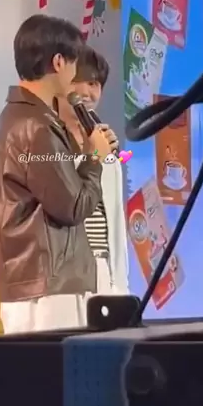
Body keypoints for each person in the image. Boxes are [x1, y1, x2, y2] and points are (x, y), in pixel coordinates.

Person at [0, 14, 111, 333]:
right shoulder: (36, 127)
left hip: (37, 282)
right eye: (73, 64)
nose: (75, 75)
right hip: (50, 287)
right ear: (58, 62)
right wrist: (95, 157)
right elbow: (74, 206)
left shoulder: (12, 121)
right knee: (57, 365)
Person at [56, 45, 129, 296]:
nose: (87, 92)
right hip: (69, 272)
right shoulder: (48, 136)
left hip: (106, 270)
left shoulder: (104, 138)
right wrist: (93, 155)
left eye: (94, 84)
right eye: (79, 81)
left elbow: (114, 216)